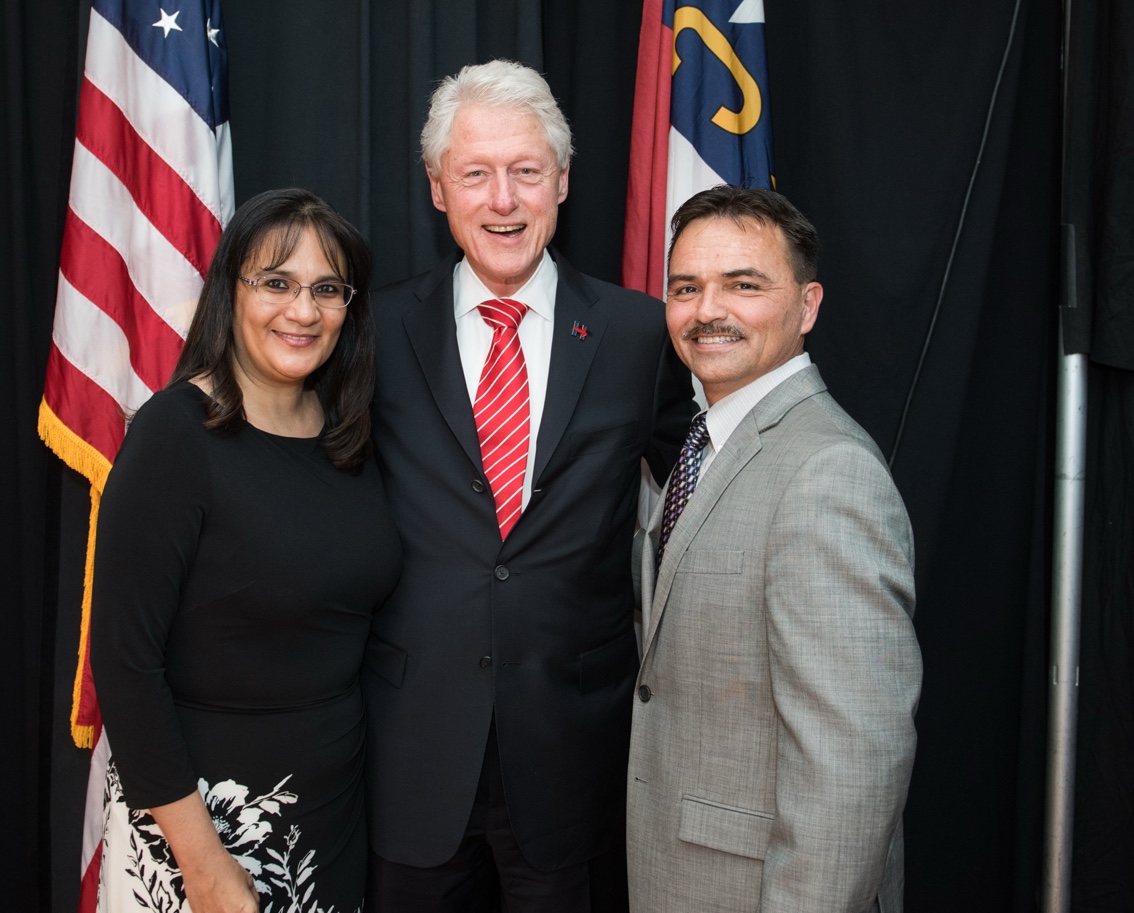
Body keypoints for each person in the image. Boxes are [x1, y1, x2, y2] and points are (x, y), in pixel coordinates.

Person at [364, 59, 697, 913]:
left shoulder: (637, 334)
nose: (502, 200)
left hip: (573, 756)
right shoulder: (373, 332)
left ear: (563, 181)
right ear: (439, 189)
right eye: (476, 173)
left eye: (525, 171)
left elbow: (704, 480)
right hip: (410, 755)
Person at [91, 188, 402, 913]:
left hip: (331, 822)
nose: (303, 311)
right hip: (200, 828)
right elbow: (125, 663)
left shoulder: (350, 436)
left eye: (328, 289)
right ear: (230, 290)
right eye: (276, 282)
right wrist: (201, 865)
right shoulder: (175, 436)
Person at [627, 184, 924, 913]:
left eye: (744, 284)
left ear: (808, 305)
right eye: (686, 287)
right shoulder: (703, 445)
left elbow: (852, 767)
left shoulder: (828, 473)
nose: (708, 310)